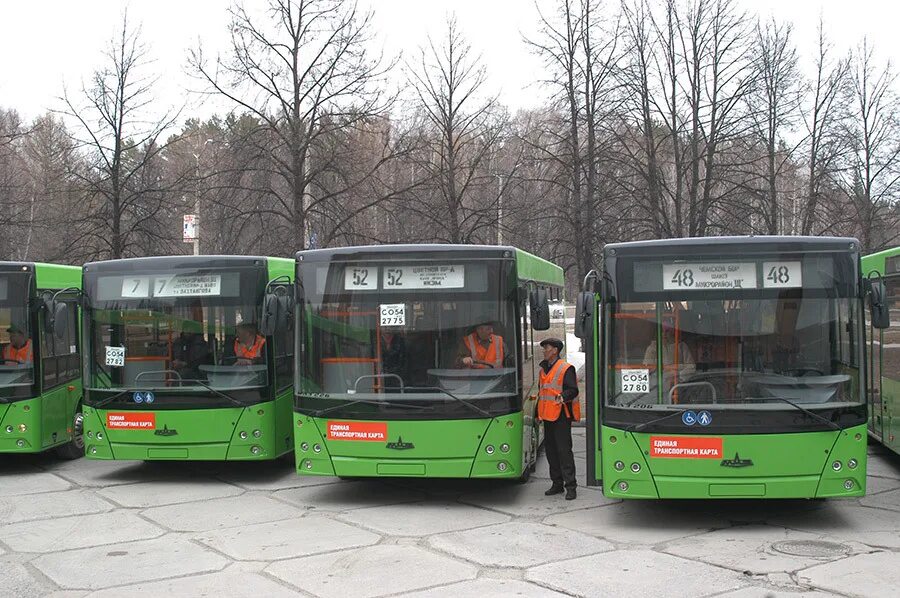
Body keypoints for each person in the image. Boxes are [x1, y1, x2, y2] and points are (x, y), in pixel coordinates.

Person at [537, 337, 579, 500]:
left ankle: (571, 486)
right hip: (547, 415)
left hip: (561, 416)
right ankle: (557, 484)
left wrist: (563, 396)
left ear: (555, 350)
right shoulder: (543, 369)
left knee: (564, 451)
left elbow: (573, 390)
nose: (544, 351)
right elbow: (543, 392)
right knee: (551, 452)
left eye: (546, 348)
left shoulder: (565, 368)